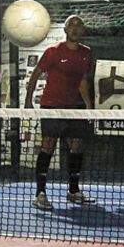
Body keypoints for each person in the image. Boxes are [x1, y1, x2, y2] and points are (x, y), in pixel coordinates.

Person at [25, 14, 95, 210]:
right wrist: (28, 101)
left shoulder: (86, 53)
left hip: (71, 109)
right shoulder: (53, 51)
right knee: (48, 145)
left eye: (79, 25)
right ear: (65, 30)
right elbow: (36, 74)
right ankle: (40, 193)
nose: (75, 28)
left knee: (77, 145)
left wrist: (89, 106)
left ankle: (73, 191)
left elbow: (82, 80)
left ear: (82, 30)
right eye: (71, 25)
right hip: (51, 106)